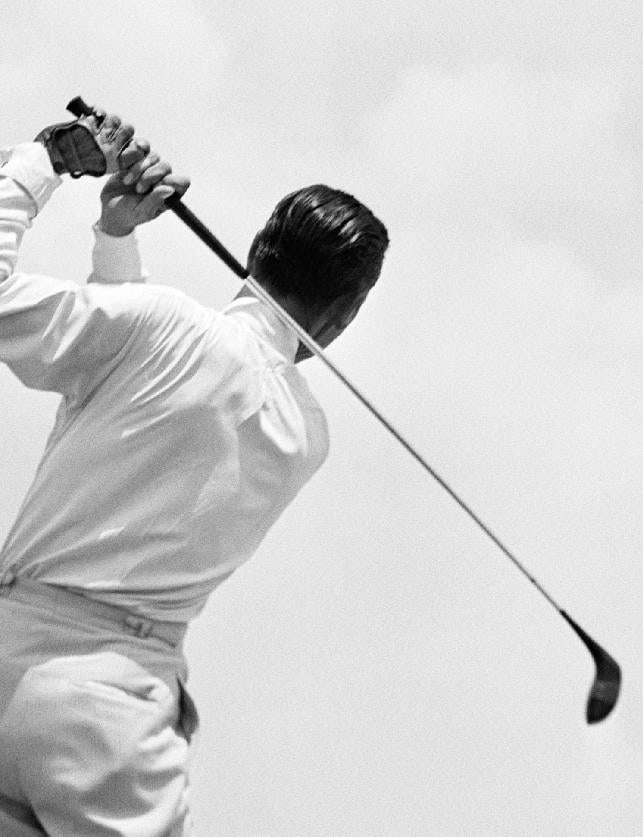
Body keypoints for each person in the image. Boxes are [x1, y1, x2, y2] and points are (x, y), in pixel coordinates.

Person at [0, 107, 389, 835]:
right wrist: (116, 238)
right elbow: (144, 378)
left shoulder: (159, 327)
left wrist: (44, 162)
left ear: (256, 251)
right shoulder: (305, 433)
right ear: (342, 316)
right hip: (108, 699)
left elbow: (122, 372)